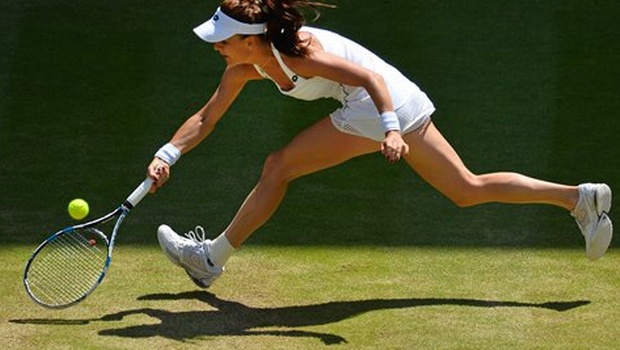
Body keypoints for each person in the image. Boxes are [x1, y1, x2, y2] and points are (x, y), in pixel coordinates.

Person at [147, 0, 613, 289]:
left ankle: (211, 260)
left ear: (250, 40)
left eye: (223, 41)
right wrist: (167, 154)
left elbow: (367, 78)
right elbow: (207, 117)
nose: (216, 47)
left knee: (278, 166)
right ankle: (578, 198)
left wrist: (390, 129)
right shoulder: (243, 66)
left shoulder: (298, 54)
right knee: (466, 189)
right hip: (401, 96)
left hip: (378, 103)